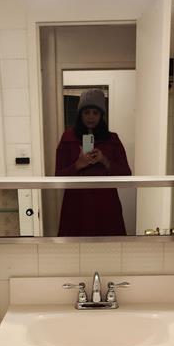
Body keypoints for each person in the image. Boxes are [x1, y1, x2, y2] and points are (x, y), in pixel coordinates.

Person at [55, 88, 131, 236]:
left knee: (109, 251)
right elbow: (58, 177)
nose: (91, 117)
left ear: (101, 115)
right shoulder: (68, 138)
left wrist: (105, 160)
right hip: (76, 205)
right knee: (74, 252)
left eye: (95, 113)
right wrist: (78, 165)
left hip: (106, 204)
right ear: (80, 114)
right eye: (86, 112)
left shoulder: (112, 140)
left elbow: (126, 174)